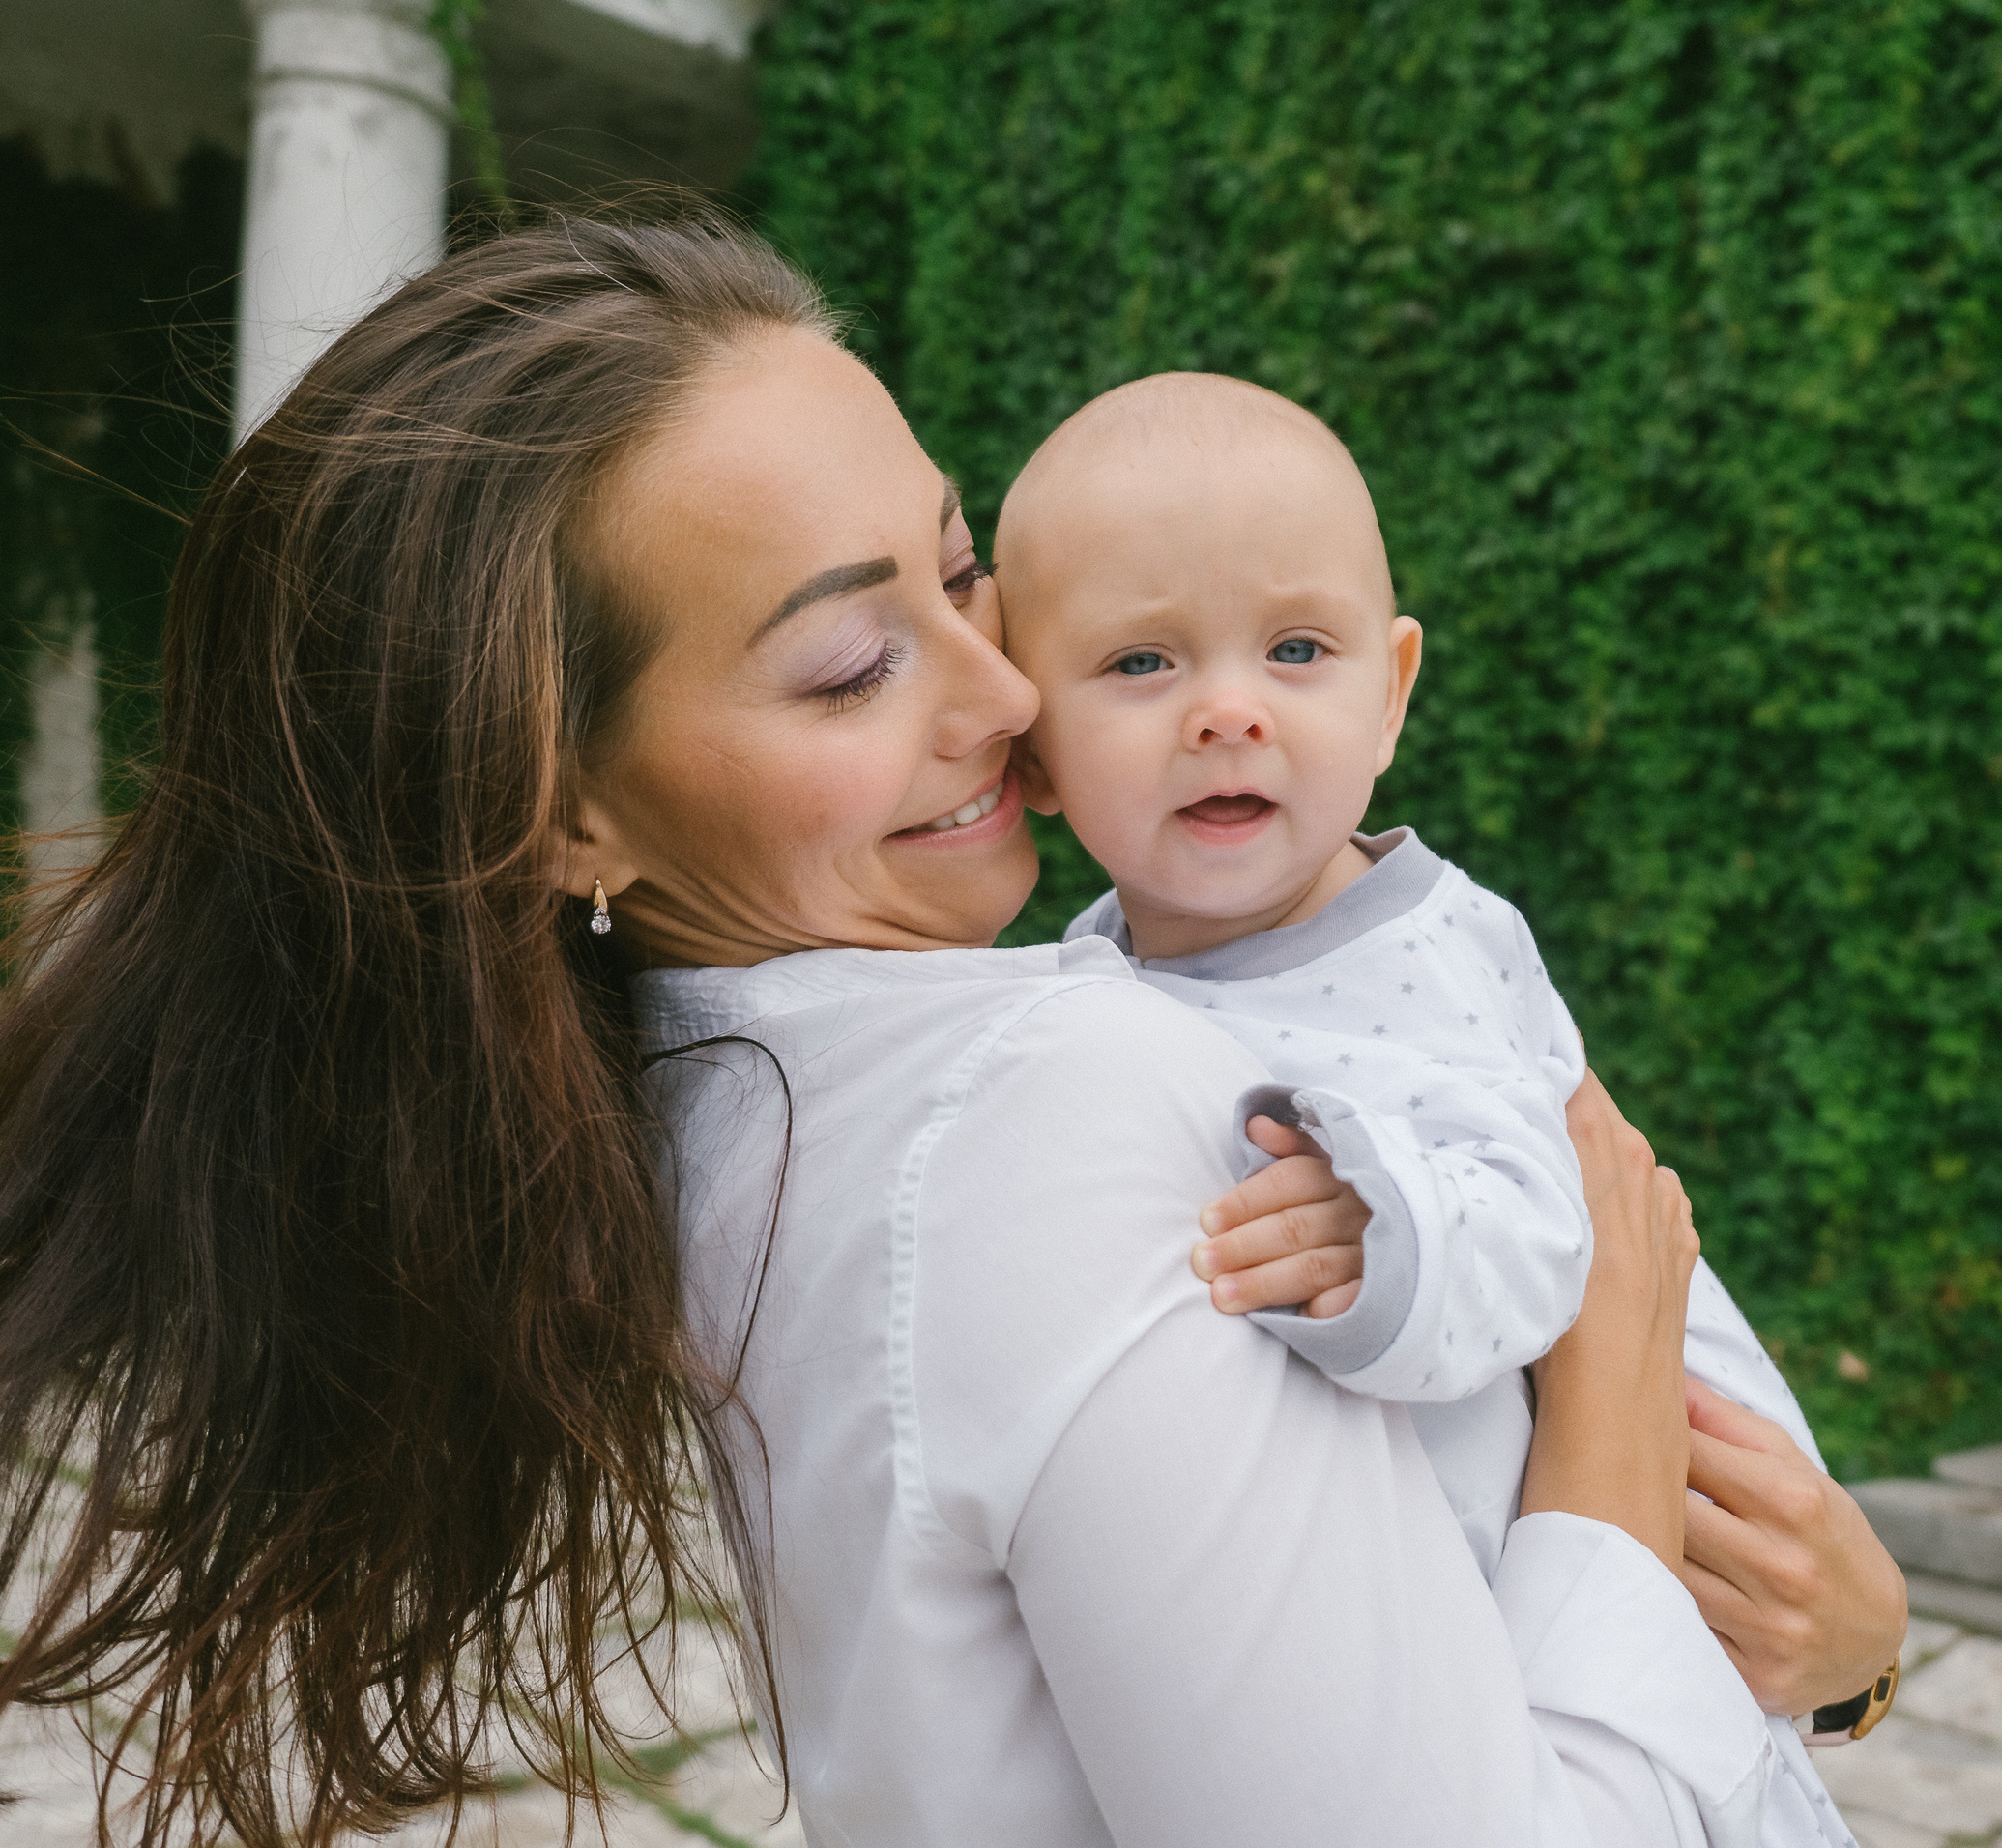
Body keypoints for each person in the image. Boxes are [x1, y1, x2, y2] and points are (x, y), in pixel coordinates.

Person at [0, 214, 1905, 1848]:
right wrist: (1612, 1419)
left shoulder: (708, 1130)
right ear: (563, 808)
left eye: (959, 569)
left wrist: (1833, 1664)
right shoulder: (1055, 1111)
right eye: (851, 661)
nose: (1006, 692)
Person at [995, 372, 1824, 1597]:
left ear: (1389, 697)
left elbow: (1549, 1233)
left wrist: (1387, 1235)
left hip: (1688, 1550)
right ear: (1031, 747)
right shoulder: (1082, 983)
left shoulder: (1422, 954)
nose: (1230, 711)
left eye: (1294, 650)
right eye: (1140, 661)